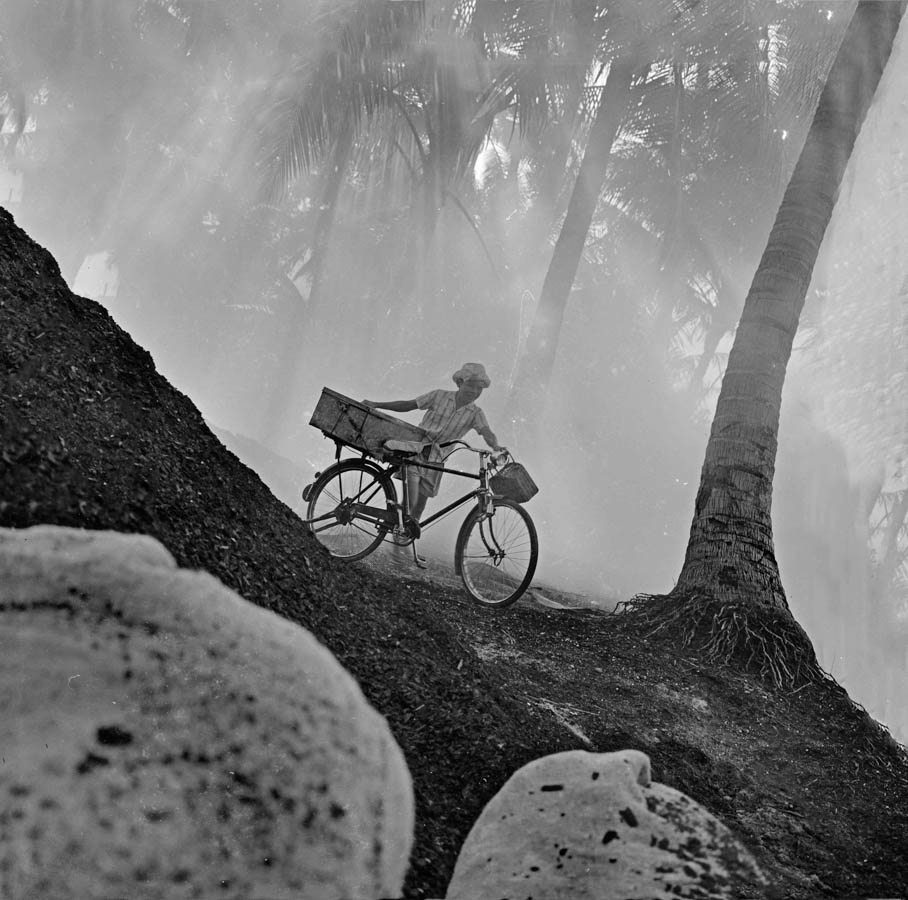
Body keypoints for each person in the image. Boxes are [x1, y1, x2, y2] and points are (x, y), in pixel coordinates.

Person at [363, 362, 505, 525]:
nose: (474, 391)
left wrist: (495, 446)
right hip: (415, 452)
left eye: (479, 388)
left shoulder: (475, 413)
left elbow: (486, 431)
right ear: (460, 383)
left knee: (419, 507)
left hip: (437, 461)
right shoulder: (439, 396)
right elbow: (409, 405)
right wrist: (377, 405)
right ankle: (394, 524)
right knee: (411, 501)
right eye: (471, 385)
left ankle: (402, 536)